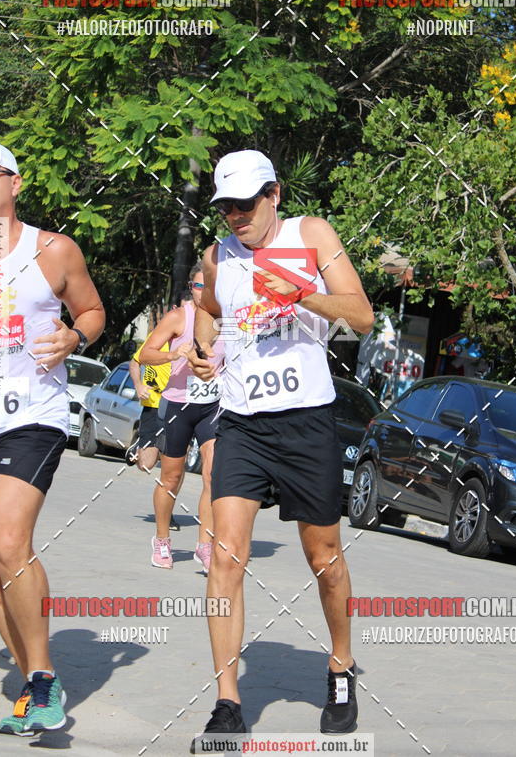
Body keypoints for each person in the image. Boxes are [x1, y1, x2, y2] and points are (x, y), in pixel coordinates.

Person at [186, 150, 375, 751]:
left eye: (246, 203)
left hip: (306, 423)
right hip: (241, 422)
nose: (236, 216)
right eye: (226, 207)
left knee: (324, 557)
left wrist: (301, 295)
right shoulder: (218, 256)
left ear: (274, 194)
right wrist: (200, 348)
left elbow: (363, 316)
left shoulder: (310, 235)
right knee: (225, 556)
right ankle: (227, 703)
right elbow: (208, 313)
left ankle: (341, 668)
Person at [0, 142, 105, 736]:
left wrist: (73, 338)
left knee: (9, 540)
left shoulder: (52, 250)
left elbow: (92, 311)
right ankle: (34, 679)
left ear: (15, 183)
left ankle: (42, 680)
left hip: (31, 415)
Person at [139, 263, 224, 572]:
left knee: (214, 475)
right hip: (179, 405)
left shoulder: (225, 319)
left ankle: (205, 544)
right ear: (191, 288)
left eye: (209, 288)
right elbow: (146, 353)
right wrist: (174, 354)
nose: (204, 294)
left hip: (214, 405)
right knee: (172, 477)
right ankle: (162, 540)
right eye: (199, 287)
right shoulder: (179, 317)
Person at [127, 328, 182, 532]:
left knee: (176, 464)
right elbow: (135, 363)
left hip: (177, 406)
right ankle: (139, 448)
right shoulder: (157, 339)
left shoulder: (191, 342)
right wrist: (138, 385)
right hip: (153, 404)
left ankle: (167, 513)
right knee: (146, 464)